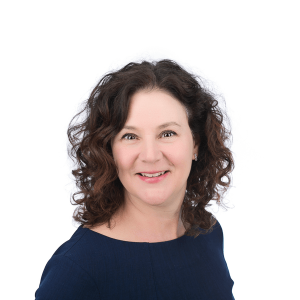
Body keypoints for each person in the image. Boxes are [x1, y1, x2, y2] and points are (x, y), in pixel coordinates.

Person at [35, 59, 235, 299]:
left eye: (167, 133)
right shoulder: (76, 270)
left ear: (196, 144)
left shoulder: (208, 233)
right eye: (130, 136)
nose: (150, 156)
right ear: (109, 151)